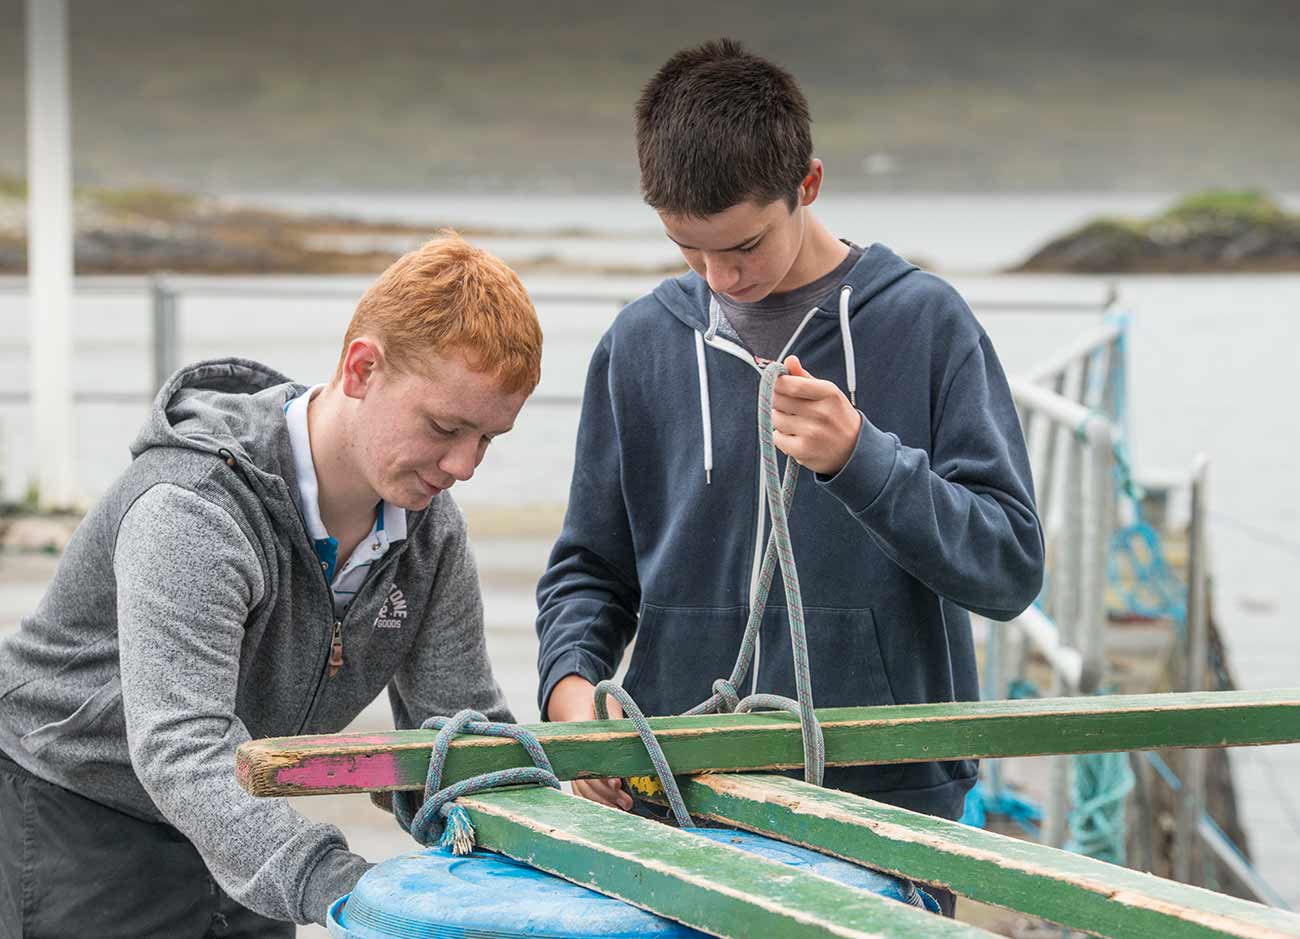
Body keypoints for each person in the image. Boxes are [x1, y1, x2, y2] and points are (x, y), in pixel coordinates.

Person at [536, 40, 1044, 916]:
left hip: (887, 809)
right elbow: (590, 571)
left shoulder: (927, 323)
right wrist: (571, 692)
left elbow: (1008, 567)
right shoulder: (639, 343)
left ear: (807, 185)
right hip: (678, 800)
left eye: (741, 245)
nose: (719, 277)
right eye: (688, 249)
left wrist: (863, 459)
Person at [0, 232, 543, 936]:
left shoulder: (429, 531)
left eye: (488, 439)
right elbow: (182, 747)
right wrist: (342, 885)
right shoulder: (193, 507)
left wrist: (550, 844)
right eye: (445, 426)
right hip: (78, 808)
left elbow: (460, 728)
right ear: (361, 368)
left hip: (247, 806)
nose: (464, 464)